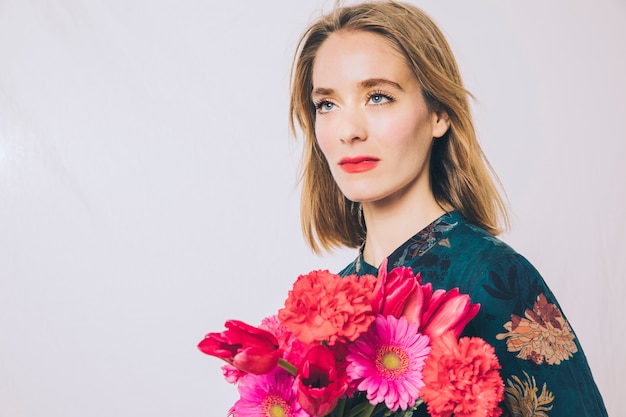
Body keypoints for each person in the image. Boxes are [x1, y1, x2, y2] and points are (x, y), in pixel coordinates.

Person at [289, 1, 608, 416]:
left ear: (438, 113)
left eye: (379, 96)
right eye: (327, 104)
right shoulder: (329, 303)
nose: (348, 131)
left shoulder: (494, 279)